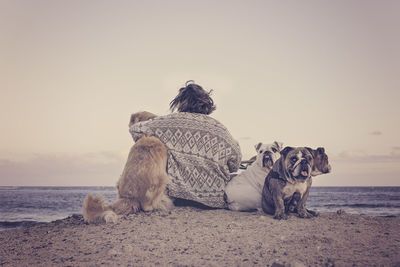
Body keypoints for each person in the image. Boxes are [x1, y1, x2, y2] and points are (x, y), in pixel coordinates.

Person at [129, 81, 242, 208]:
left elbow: (135, 129)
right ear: (207, 103)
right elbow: (235, 163)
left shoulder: (168, 123)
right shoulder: (220, 129)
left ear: (180, 102)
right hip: (215, 201)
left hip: (179, 199)